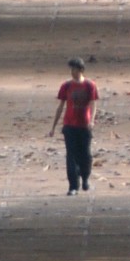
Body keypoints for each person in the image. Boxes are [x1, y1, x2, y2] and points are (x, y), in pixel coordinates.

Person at [50, 57, 99, 194]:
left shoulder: (90, 85)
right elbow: (61, 106)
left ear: (81, 70)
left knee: (86, 154)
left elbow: (93, 104)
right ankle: (73, 186)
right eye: (71, 69)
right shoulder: (66, 86)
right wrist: (53, 127)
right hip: (69, 125)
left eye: (75, 69)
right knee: (71, 156)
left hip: (84, 126)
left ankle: (85, 178)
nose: (72, 72)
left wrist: (91, 120)